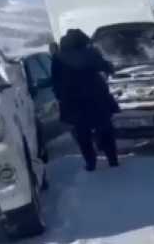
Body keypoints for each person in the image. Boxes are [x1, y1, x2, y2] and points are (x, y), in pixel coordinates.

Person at [51, 29, 121, 171]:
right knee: (105, 127)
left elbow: (55, 81)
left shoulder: (58, 58)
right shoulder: (91, 53)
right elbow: (106, 67)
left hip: (73, 100)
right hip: (97, 97)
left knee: (82, 133)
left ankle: (91, 163)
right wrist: (110, 67)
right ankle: (112, 159)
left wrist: (60, 96)